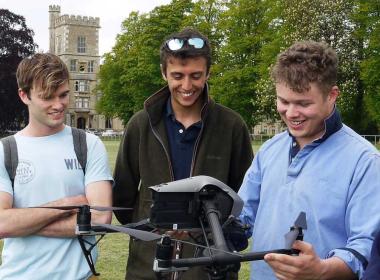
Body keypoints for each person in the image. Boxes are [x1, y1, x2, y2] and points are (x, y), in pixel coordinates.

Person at [112, 27, 253, 280]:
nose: (187, 85)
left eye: (196, 75)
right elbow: (122, 199)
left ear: (208, 73)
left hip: (208, 269)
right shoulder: (140, 124)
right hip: (147, 268)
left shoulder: (232, 126)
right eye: (177, 75)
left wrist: (206, 235)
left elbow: (242, 201)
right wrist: (152, 228)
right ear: (163, 72)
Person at [238, 41, 380, 280]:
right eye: (284, 101)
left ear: (332, 95)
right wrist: (196, 230)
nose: (291, 113)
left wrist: (321, 270)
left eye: (304, 103)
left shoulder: (366, 161)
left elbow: (364, 249)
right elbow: (242, 220)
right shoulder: (270, 149)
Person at [0, 53, 113, 280]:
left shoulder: (88, 144)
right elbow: (2, 224)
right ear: (24, 95)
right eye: (47, 97)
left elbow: (100, 219)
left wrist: (23, 223)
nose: (58, 105)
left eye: (63, 95)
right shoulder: (6, 151)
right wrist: (66, 204)